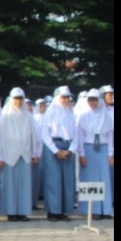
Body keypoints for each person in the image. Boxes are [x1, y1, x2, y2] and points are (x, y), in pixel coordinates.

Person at [0, 88, 37, 222]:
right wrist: (0, 156)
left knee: (24, 184)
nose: (18, 101)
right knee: (10, 185)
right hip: (9, 155)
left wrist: (33, 154)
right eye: (16, 98)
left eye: (20, 98)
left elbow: (33, 136)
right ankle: (11, 212)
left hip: (24, 154)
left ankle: (22, 212)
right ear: (11, 99)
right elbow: (0, 136)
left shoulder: (28, 115)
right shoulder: (6, 115)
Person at [41, 86, 77, 221]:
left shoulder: (70, 113)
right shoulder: (50, 113)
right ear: (57, 98)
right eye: (63, 97)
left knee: (67, 181)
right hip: (53, 147)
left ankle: (64, 211)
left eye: (68, 97)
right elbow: (44, 134)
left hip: (67, 147)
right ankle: (52, 211)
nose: (66, 100)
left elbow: (76, 134)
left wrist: (71, 150)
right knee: (53, 180)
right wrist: (56, 151)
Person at [76, 89, 113, 219]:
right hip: (88, 148)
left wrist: (111, 153)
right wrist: (81, 153)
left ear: (100, 101)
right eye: (90, 100)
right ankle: (91, 209)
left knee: (104, 179)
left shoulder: (106, 116)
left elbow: (110, 136)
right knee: (90, 179)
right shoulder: (84, 115)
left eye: (95, 100)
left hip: (103, 148)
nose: (92, 103)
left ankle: (105, 209)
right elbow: (79, 136)